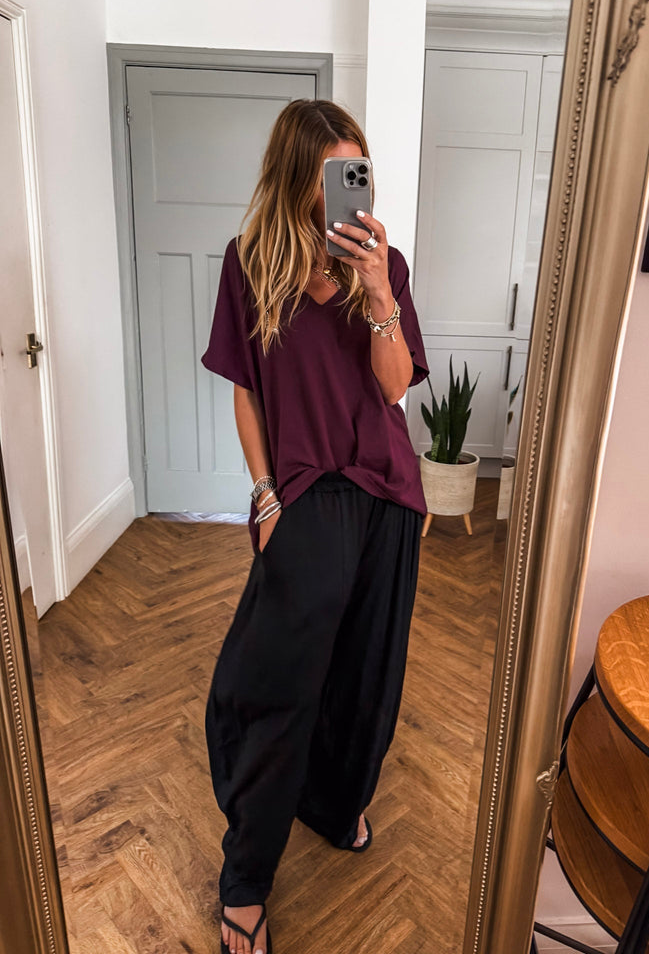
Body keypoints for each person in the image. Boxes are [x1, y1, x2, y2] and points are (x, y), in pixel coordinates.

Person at [201, 98, 429, 954]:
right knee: (275, 685)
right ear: (299, 174)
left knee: (367, 677)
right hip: (305, 496)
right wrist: (264, 495)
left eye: (357, 170)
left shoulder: (384, 263)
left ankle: (335, 804)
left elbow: (394, 387)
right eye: (335, 171)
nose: (349, 187)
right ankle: (246, 880)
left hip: (387, 492)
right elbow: (246, 391)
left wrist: (378, 292)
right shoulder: (250, 263)